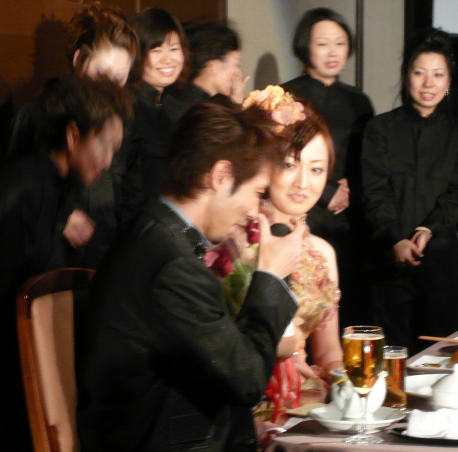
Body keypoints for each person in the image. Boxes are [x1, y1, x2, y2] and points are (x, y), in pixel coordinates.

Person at [77, 97, 306, 452]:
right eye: (258, 193)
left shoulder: (163, 233)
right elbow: (246, 378)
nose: (255, 212)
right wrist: (271, 277)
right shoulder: (171, 263)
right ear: (220, 176)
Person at [0, 75, 132, 452]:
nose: (108, 161)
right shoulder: (26, 185)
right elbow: (1, 291)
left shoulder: (58, 187)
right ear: (73, 136)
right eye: (103, 145)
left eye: (115, 149)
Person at [211, 88, 342, 425]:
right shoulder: (231, 243)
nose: (303, 183)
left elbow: (328, 351)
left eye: (316, 169)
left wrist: (346, 383)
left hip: (306, 402)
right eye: (289, 165)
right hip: (242, 405)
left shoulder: (322, 252)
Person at [362, 28, 458, 352]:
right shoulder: (379, 129)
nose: (428, 83)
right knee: (390, 357)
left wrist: (428, 229)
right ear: (406, 76)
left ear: (449, 81)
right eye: (419, 73)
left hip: (440, 264)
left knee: (440, 354)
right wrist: (395, 238)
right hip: (388, 264)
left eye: (438, 74)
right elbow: (374, 190)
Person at [8, 2, 140, 268]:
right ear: (79, 59)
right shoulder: (36, 114)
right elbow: (11, 194)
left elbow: (131, 194)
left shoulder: (123, 122)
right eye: (102, 74)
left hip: (106, 261)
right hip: (47, 263)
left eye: (119, 78)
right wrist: (61, 216)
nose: (109, 87)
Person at [281, 8, 374, 326]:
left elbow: (370, 158)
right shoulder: (286, 96)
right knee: (308, 305)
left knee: (353, 306)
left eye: (340, 43)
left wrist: (352, 189)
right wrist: (328, 191)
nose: (333, 52)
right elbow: (281, 159)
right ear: (305, 47)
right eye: (323, 44)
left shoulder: (359, 100)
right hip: (307, 210)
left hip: (352, 218)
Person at [123, 7, 190, 218]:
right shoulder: (125, 106)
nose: (168, 59)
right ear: (137, 54)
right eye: (156, 50)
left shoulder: (179, 110)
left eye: (174, 49)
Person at [178, 20, 249, 102]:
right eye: (236, 65)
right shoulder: (200, 107)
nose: (239, 74)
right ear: (214, 67)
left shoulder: (181, 97)